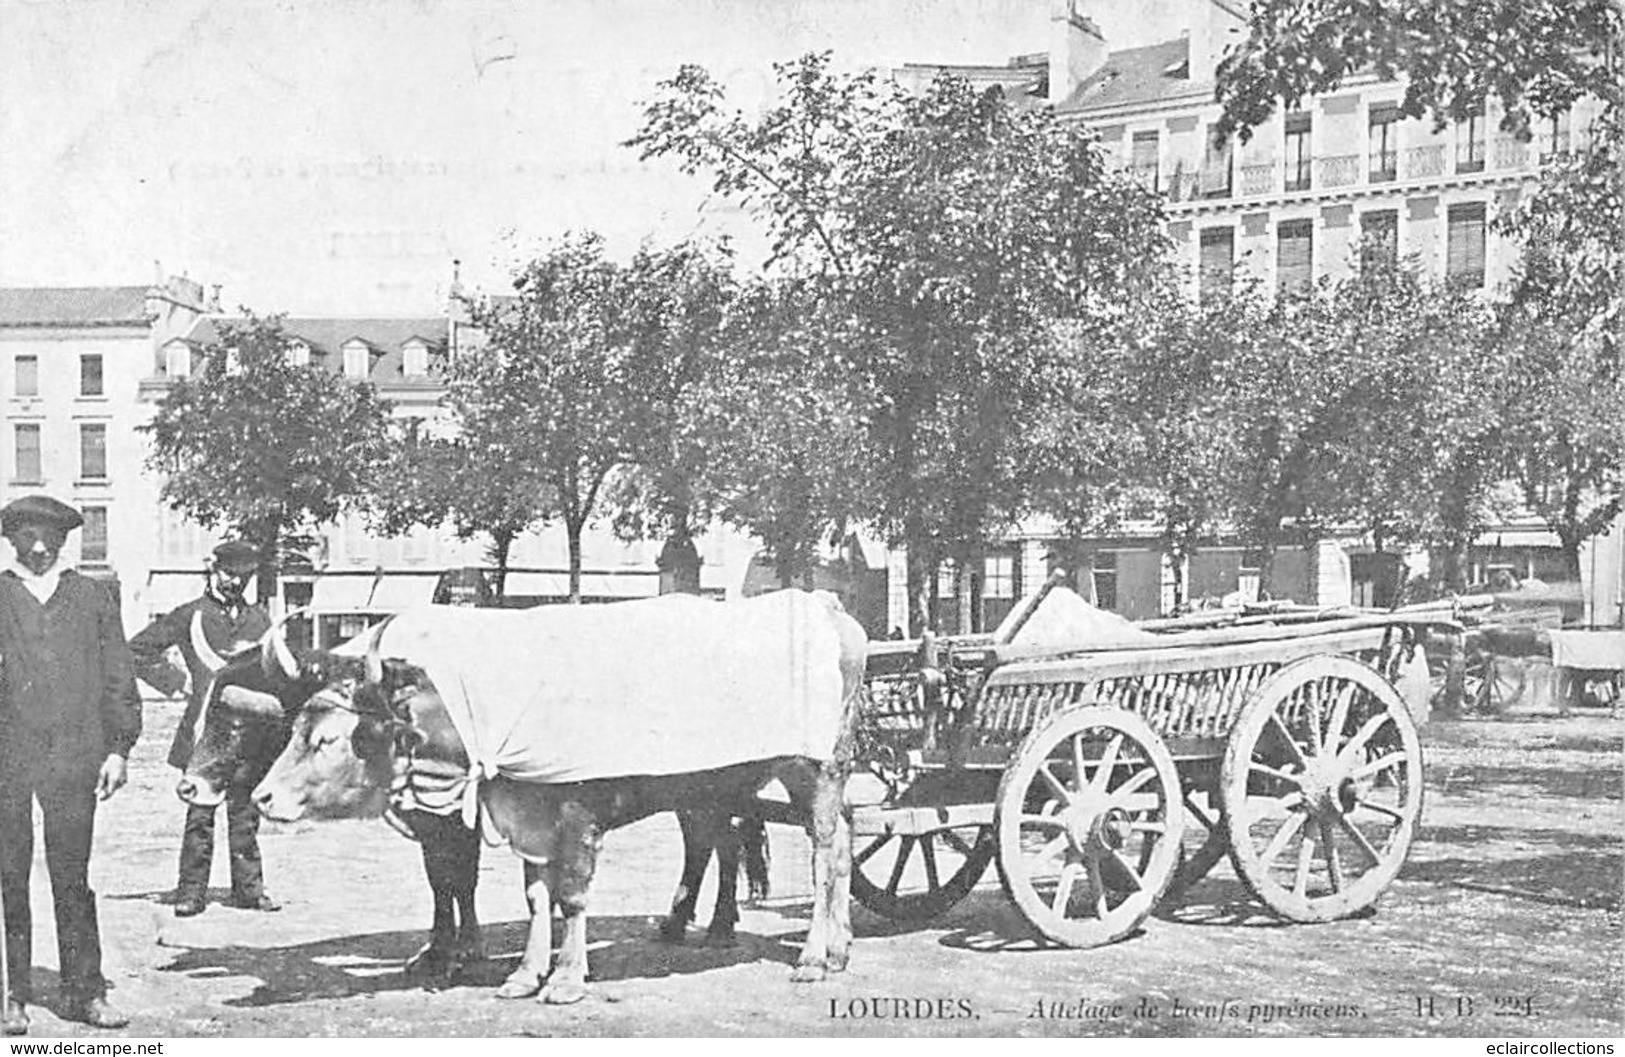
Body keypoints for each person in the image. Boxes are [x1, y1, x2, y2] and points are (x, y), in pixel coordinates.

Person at [0, 495, 141, 1033]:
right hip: (7, 756)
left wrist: (118, 749)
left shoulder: (91, 596)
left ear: (64, 542)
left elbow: (118, 676)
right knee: (9, 874)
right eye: (27, 539)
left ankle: (85, 991)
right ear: (11, 541)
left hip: (75, 753)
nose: (39, 549)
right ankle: (12, 995)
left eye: (49, 540)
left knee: (71, 875)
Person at [130, 540, 279, 919]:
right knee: (200, 813)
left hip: (250, 730)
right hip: (204, 731)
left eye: (243, 577)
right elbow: (137, 651)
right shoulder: (189, 615)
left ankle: (249, 890)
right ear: (214, 570)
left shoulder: (261, 619)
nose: (235, 583)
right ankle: (191, 892)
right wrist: (177, 682)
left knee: (245, 812)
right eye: (230, 574)